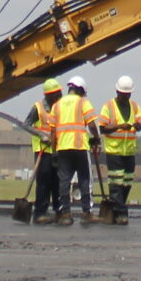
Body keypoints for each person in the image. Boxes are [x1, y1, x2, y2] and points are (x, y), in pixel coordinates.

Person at [94, 75, 141, 226]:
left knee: (127, 182)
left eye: (128, 94)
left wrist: (138, 126)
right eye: (124, 94)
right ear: (117, 92)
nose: (126, 97)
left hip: (129, 151)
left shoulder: (134, 106)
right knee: (116, 183)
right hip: (114, 151)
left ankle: (117, 208)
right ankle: (121, 213)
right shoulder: (108, 106)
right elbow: (103, 128)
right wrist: (119, 126)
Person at [53, 74, 97, 226]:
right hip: (79, 147)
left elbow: (52, 130)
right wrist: (96, 138)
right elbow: (92, 124)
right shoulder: (83, 102)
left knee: (64, 181)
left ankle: (66, 213)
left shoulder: (57, 104)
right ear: (80, 90)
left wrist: (54, 151)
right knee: (84, 179)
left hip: (63, 147)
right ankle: (86, 213)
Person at [26, 79, 63, 225]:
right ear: (48, 95)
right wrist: (41, 135)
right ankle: (40, 212)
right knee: (44, 181)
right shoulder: (38, 108)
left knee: (58, 181)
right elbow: (27, 124)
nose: (59, 96)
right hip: (43, 150)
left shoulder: (60, 107)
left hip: (57, 150)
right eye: (56, 94)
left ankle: (59, 211)